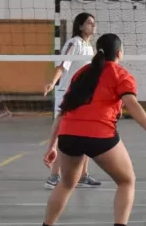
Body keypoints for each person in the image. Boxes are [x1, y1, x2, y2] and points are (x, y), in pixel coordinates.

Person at [36, 33, 146, 226]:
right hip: (98, 134)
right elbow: (132, 103)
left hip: (68, 135)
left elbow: (63, 112)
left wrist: (52, 145)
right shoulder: (120, 74)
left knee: (66, 183)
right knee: (127, 181)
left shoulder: (81, 73)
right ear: (119, 53)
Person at [43, 12, 102, 189]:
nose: (93, 26)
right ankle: (54, 177)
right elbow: (62, 65)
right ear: (80, 26)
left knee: (85, 134)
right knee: (64, 135)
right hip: (67, 94)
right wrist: (52, 82)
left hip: (83, 96)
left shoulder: (90, 47)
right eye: (89, 23)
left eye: (94, 23)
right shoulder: (73, 43)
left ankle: (83, 176)